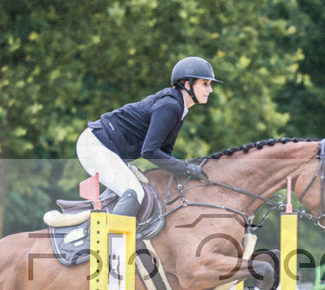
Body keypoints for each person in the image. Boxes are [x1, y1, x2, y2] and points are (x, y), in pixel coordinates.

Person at [77, 55, 222, 216]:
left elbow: (165, 153)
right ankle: (111, 240)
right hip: (95, 146)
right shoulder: (170, 106)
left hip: (106, 148)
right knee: (134, 194)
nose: (210, 90)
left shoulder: (178, 107)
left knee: (144, 192)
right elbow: (149, 151)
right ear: (187, 84)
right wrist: (185, 167)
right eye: (205, 84)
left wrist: (186, 170)